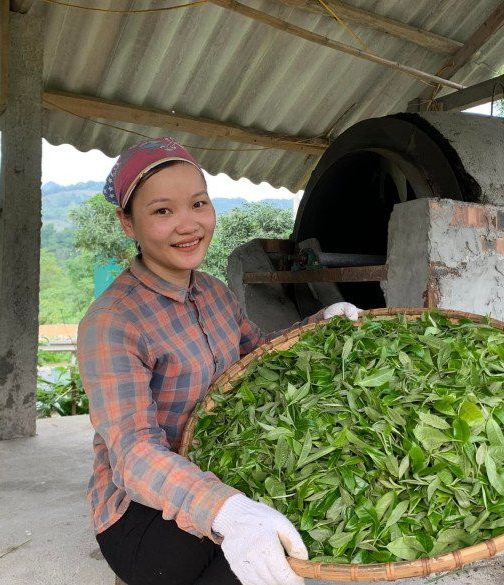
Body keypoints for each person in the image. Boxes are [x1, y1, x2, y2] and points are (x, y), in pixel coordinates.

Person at [77, 137, 360, 585]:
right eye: (163, 211)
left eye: (198, 204)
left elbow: (258, 354)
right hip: (141, 510)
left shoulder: (212, 292)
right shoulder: (113, 321)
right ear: (127, 223)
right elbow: (133, 455)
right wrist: (228, 511)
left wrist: (319, 324)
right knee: (254, 564)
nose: (188, 225)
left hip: (218, 463)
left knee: (309, 521)